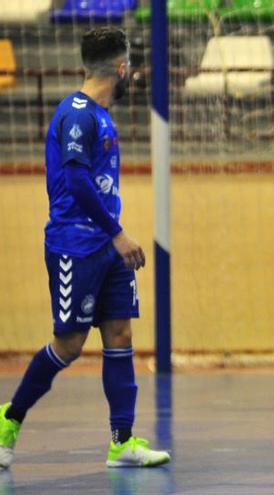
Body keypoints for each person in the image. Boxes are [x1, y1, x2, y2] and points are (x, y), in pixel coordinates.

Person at [0, 27, 170, 469]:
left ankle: (122, 441)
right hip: (75, 245)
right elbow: (75, 181)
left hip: (108, 244)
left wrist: (113, 236)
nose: (131, 70)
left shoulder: (100, 114)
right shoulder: (77, 114)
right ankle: (9, 419)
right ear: (120, 67)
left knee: (120, 335)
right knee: (70, 344)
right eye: (129, 62)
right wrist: (118, 233)